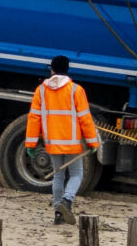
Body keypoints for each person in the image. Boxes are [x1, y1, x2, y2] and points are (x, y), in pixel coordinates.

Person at [26, 55, 100, 221]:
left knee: (58, 176)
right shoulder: (76, 90)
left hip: (52, 143)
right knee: (76, 175)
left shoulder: (41, 91)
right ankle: (66, 201)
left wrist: (30, 144)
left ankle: (58, 213)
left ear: (51, 70)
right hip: (72, 144)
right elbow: (85, 119)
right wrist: (92, 141)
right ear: (67, 70)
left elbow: (34, 118)